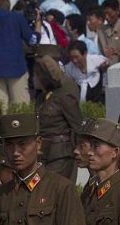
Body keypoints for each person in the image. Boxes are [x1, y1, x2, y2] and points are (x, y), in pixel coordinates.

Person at [33, 51, 84, 182]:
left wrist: (79, 150)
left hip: (62, 156)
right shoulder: (41, 98)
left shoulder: (64, 97)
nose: (34, 78)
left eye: (37, 75)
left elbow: (78, 125)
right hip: (45, 154)